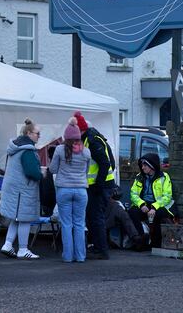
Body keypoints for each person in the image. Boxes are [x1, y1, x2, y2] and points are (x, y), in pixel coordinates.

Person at [0, 118, 44, 260]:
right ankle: (23, 249)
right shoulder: (28, 151)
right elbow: (31, 172)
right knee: (24, 219)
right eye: (37, 133)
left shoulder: (16, 147)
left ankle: (7, 245)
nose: (39, 136)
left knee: (15, 218)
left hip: (14, 189)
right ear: (29, 133)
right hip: (23, 190)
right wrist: (41, 173)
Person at [48, 117, 91, 263]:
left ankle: (67, 256)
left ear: (66, 137)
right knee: (79, 224)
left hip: (64, 190)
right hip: (81, 190)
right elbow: (86, 172)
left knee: (66, 224)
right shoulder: (86, 152)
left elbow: (52, 169)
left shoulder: (60, 150)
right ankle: (80, 256)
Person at [76, 111, 116, 260]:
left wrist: (98, 185)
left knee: (96, 217)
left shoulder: (93, 141)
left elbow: (105, 164)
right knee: (93, 217)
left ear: (81, 129)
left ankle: (101, 250)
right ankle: (97, 246)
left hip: (100, 185)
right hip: (96, 185)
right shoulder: (90, 138)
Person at [128, 153, 174, 249]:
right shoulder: (139, 176)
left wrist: (154, 207)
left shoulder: (164, 177)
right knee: (132, 212)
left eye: (145, 165)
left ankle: (155, 244)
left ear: (152, 166)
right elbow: (133, 194)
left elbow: (167, 196)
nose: (142, 167)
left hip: (159, 205)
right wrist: (141, 205)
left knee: (159, 214)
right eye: (142, 165)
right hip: (144, 204)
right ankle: (140, 238)